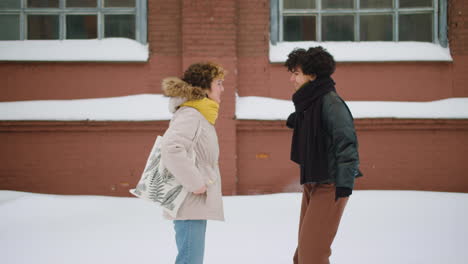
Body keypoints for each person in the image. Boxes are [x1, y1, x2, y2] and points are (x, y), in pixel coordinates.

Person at [285, 47, 363, 264]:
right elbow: (314, 126)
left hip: (332, 184)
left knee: (312, 255)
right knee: (302, 256)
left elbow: (346, 141)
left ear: (312, 75)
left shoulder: (330, 102)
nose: (291, 78)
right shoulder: (310, 102)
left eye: (296, 73)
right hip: (313, 181)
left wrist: (344, 184)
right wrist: (299, 120)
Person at [160, 62, 225, 264]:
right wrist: (196, 183)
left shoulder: (200, 114)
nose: (223, 88)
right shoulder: (191, 114)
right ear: (205, 87)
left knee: (191, 257)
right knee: (190, 259)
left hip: (193, 200)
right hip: (188, 199)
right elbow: (171, 149)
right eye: (219, 83)